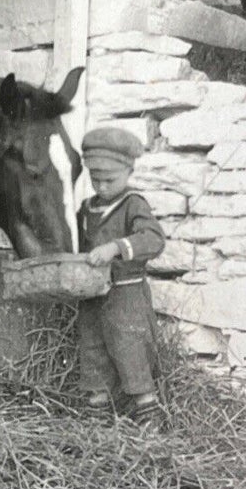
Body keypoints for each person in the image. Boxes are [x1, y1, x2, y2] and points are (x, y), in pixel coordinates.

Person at [76, 125, 167, 426]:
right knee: (92, 348)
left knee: (130, 350)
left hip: (126, 295)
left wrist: (116, 247)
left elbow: (153, 239)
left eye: (110, 180)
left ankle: (148, 414)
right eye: (95, 179)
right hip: (91, 295)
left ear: (129, 171)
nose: (101, 186)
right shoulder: (86, 208)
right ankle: (97, 413)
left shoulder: (133, 204)